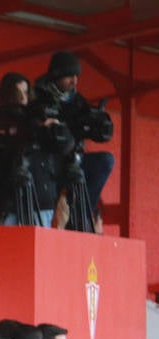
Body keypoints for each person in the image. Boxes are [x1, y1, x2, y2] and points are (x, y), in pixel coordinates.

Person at [0, 72, 71, 228]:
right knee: (6, 246)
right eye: (18, 92)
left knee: (36, 245)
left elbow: (59, 150)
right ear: (7, 94)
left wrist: (47, 130)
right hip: (4, 196)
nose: (24, 97)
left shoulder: (37, 117)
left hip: (38, 196)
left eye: (26, 92)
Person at [35, 50, 113, 231]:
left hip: (73, 162)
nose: (74, 81)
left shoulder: (78, 101)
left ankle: (82, 212)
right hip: (47, 165)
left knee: (105, 161)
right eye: (69, 76)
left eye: (76, 76)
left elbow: (93, 129)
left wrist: (99, 125)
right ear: (56, 74)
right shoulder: (37, 97)